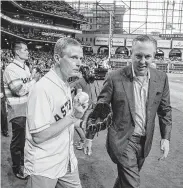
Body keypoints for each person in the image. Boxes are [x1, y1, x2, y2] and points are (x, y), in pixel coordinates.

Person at [84, 35, 172, 188]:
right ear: (131, 53)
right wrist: (89, 136)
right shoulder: (114, 77)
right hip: (123, 141)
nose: (142, 61)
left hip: (145, 141)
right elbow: (101, 108)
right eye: (138, 56)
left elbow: (164, 110)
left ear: (154, 56)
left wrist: (166, 137)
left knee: (125, 181)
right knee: (132, 184)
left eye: (147, 56)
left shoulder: (161, 78)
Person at [24, 37, 88, 188]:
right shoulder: (42, 89)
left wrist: (84, 123)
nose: (79, 63)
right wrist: (73, 116)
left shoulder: (64, 83)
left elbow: (60, 120)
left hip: (65, 159)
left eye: (80, 58)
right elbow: (39, 136)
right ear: (57, 58)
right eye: (73, 57)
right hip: (44, 165)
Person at [3, 41, 40, 180]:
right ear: (17, 52)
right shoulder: (11, 69)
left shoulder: (25, 68)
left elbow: (28, 89)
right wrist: (34, 80)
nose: (28, 52)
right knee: (18, 141)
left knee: (27, 139)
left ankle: (25, 164)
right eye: (25, 50)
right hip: (17, 109)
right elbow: (19, 90)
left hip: (27, 108)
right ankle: (17, 167)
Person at [70, 65, 96, 150]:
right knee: (81, 123)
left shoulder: (79, 81)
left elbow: (79, 96)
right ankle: (84, 140)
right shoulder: (86, 80)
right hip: (89, 104)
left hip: (82, 105)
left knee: (76, 124)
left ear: (80, 72)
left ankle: (83, 140)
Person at [1, 62, 9, 137]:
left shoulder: (1, 72)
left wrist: (3, 94)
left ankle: (5, 130)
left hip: (1, 96)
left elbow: (2, 84)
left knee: (3, 113)